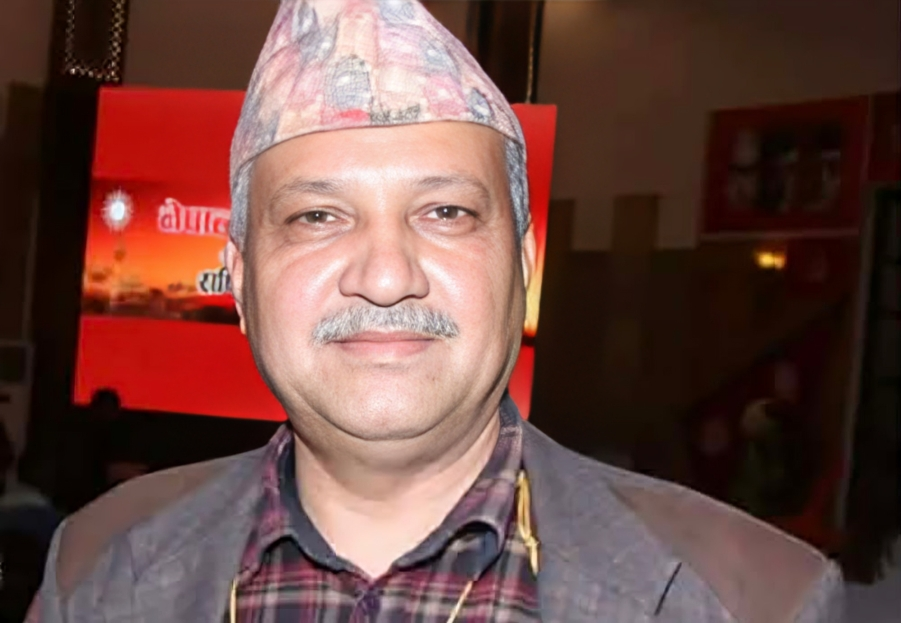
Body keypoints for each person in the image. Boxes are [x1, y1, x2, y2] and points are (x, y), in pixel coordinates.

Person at [29, 1, 842, 621]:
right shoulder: (97, 571)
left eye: (445, 212)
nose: (386, 277)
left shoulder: (753, 598)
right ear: (240, 283)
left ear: (523, 265)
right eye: (317, 216)